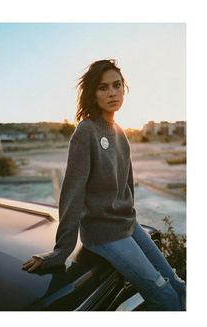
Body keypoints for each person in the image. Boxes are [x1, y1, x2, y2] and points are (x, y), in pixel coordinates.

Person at [23, 59, 186, 311]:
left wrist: (130, 218)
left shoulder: (120, 132)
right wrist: (60, 251)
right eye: (103, 87)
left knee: (179, 287)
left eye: (117, 85)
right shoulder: (86, 132)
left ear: (123, 89)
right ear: (92, 94)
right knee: (166, 297)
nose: (112, 92)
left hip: (128, 225)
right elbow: (72, 193)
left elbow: (127, 186)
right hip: (102, 233)